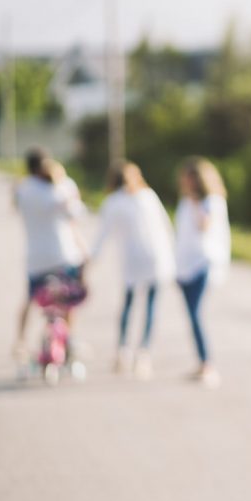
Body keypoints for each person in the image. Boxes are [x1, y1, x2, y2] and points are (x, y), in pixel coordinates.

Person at [89, 160, 175, 379]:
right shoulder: (147, 196)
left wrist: (91, 261)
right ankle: (141, 353)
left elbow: (102, 236)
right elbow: (167, 227)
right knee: (148, 307)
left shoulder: (116, 201)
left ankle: (124, 351)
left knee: (130, 305)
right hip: (153, 258)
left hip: (137, 260)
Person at [13, 147, 86, 355]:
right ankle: (69, 339)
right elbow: (77, 213)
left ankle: (20, 342)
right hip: (63, 256)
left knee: (29, 299)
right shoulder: (62, 188)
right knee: (68, 301)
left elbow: (16, 205)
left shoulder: (23, 190)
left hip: (36, 259)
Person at [174, 157, 230, 388]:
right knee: (191, 316)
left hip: (203, 264)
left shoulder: (212, 201)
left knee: (196, 314)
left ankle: (208, 363)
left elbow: (204, 227)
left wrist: (197, 204)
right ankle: (201, 361)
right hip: (184, 266)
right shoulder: (184, 202)